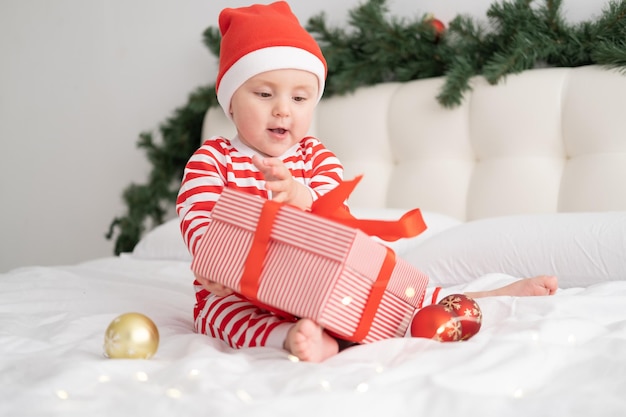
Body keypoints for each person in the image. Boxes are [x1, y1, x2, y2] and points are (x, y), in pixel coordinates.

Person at [176, 1, 558, 363]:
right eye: (263, 94)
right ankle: (292, 339)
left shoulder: (314, 155)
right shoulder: (213, 158)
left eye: (299, 98)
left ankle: (485, 296)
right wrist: (213, 266)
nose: (282, 109)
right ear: (230, 102)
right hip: (242, 285)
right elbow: (198, 216)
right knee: (218, 316)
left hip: (314, 275)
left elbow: (334, 213)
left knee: (388, 288)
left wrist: (299, 195)